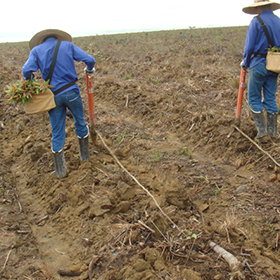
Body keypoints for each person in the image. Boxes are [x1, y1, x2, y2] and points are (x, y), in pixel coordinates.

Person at [22, 29, 96, 178]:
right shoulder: (67, 46)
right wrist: (89, 70)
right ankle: (85, 158)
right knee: (80, 123)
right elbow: (89, 59)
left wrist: (30, 83)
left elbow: (26, 70)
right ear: (57, 37)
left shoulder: (36, 51)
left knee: (57, 132)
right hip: (71, 92)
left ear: (42, 41)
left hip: (53, 96)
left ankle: (60, 172)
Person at [241, 0, 280, 143]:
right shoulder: (278, 21)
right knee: (270, 98)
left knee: (254, 98)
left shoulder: (256, 21)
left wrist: (245, 62)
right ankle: (274, 134)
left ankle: (262, 134)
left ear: (258, 7)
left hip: (258, 64)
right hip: (275, 64)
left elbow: (249, 46)